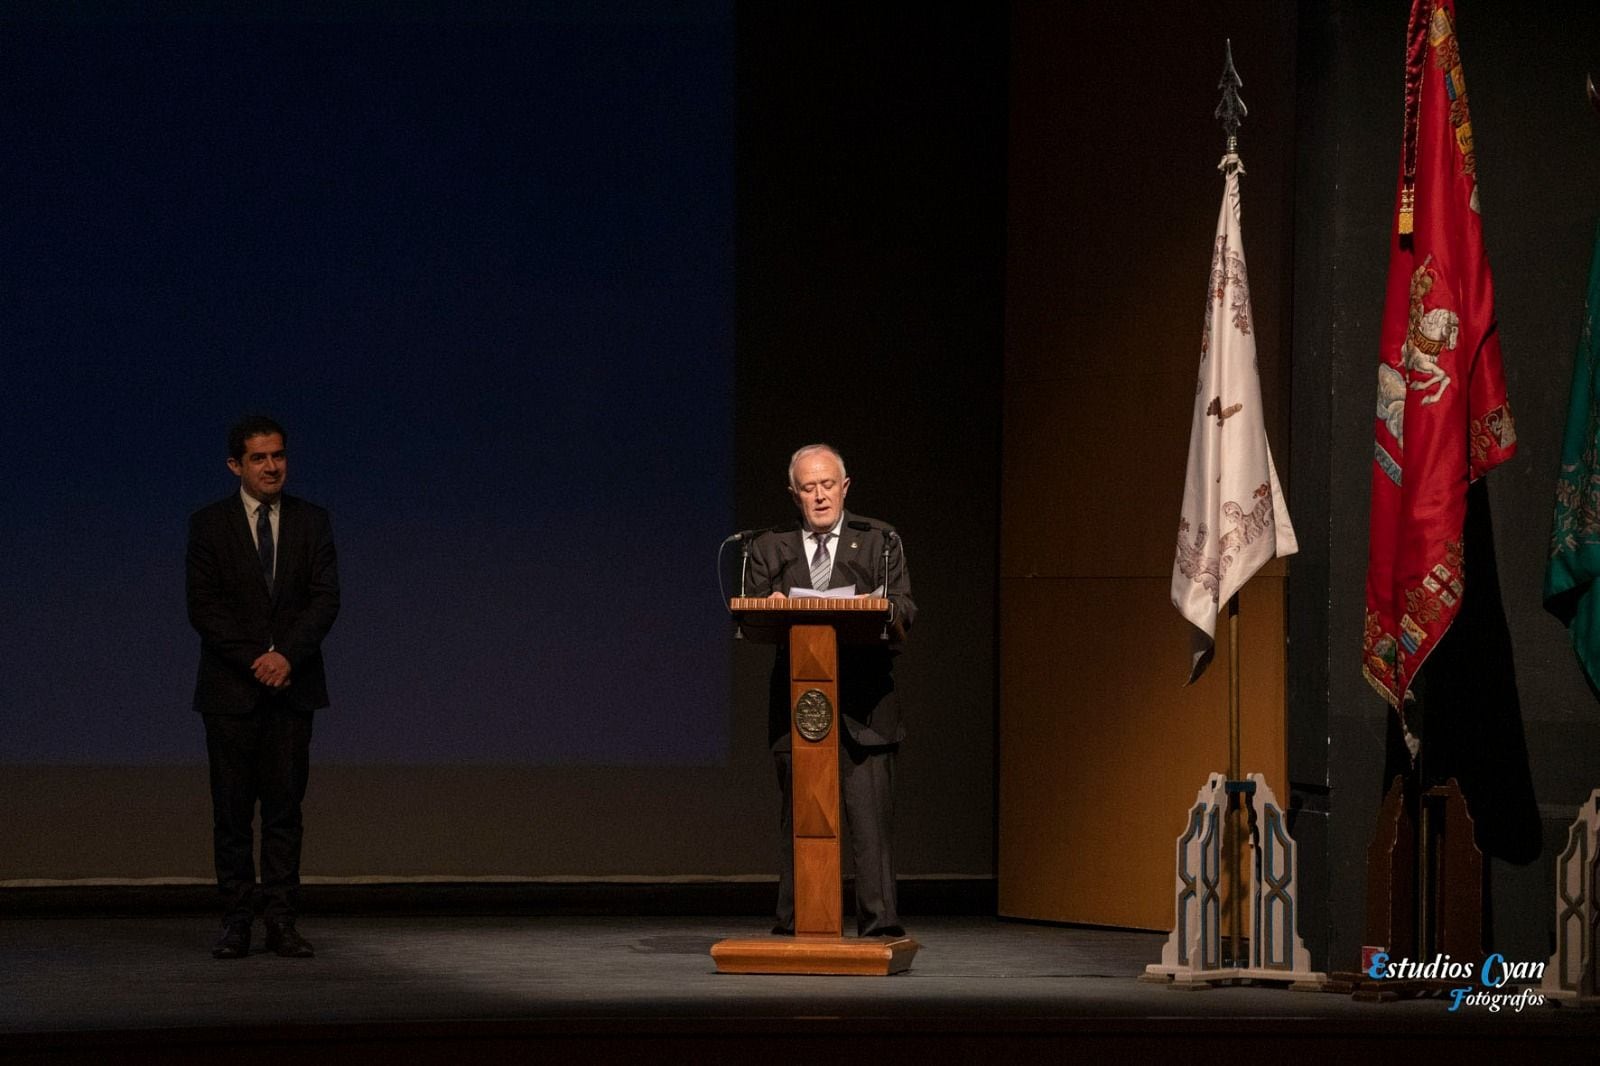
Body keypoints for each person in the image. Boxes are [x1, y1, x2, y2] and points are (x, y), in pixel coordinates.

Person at [746, 443, 916, 937]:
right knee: (800, 822)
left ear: (844, 487)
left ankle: (879, 927)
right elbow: (750, 613)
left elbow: (905, 607)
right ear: (794, 494)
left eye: (827, 485)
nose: (819, 496)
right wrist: (769, 604)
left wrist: (879, 608)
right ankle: (799, 924)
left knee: (870, 827)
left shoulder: (880, 540)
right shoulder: (769, 546)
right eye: (808, 487)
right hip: (801, 707)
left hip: (866, 707)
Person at [186, 416, 339, 959]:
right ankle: (236, 921)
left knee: (284, 812)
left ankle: (281, 920)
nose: (272, 466)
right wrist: (258, 659)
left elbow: (325, 598)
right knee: (231, 815)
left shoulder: (312, 521)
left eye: (278, 455)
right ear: (236, 465)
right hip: (231, 692)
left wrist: (285, 656)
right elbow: (203, 607)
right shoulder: (209, 525)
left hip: (292, 689)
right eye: (259, 458)